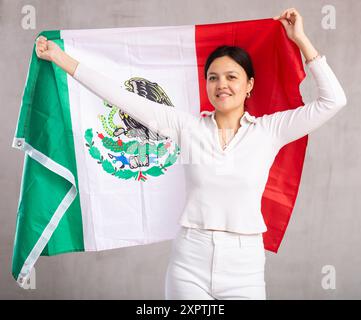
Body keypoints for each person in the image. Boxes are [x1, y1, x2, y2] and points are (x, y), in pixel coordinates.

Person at [35, 8, 347, 300]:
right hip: (189, 262)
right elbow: (121, 97)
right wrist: (61, 58)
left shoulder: (270, 130)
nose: (221, 84)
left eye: (231, 77)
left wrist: (301, 40)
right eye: (213, 77)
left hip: (245, 266)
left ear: (249, 85)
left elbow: (333, 100)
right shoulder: (187, 127)